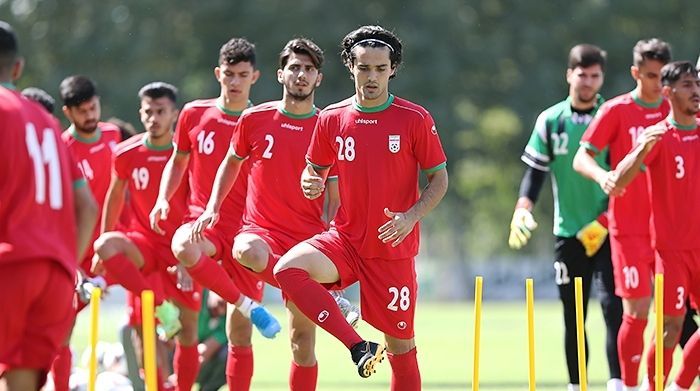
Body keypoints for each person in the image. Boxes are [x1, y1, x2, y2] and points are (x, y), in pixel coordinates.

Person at [272, 25, 448, 391]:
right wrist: (310, 181)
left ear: (393, 69)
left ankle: (376, 349)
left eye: (380, 69)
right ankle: (358, 345)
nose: (371, 77)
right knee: (287, 269)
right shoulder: (332, 118)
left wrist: (410, 217)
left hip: (392, 249)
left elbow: (440, 180)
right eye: (364, 68)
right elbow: (314, 171)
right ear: (350, 67)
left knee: (402, 350)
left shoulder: (414, 118)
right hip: (345, 240)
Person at [192, 37, 341, 390]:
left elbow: (335, 198)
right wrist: (212, 207)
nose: (301, 75)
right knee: (240, 318)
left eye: (308, 69)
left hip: (306, 243)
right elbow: (230, 164)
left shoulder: (330, 126)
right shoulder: (254, 118)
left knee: (301, 343)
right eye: (294, 68)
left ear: (318, 78)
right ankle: (316, 293)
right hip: (257, 232)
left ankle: (308, 287)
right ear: (280, 74)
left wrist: (332, 235)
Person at [150, 37, 279, 390]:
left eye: (242, 75)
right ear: (217, 74)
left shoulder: (266, 121)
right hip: (203, 223)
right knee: (182, 246)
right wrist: (163, 198)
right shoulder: (194, 113)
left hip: (246, 232)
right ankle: (247, 304)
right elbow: (178, 163)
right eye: (229, 75)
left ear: (255, 77)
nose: (234, 82)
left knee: (238, 335)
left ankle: (243, 309)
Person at [573, 39, 698, 390]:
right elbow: (582, 157)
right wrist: (604, 176)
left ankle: (658, 382)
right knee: (638, 311)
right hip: (629, 227)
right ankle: (629, 385)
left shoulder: (684, 109)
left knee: (671, 318)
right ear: (636, 73)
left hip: (673, 232)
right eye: (650, 76)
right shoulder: (616, 110)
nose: (657, 84)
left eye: (662, 76)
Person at [508, 44, 623, 391]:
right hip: (568, 233)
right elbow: (535, 172)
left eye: (594, 75)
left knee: (612, 310)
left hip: (609, 231)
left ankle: (618, 383)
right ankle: (578, 385)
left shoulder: (612, 116)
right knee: (573, 317)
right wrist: (523, 206)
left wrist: (604, 221)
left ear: (601, 77)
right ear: (569, 74)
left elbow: (628, 178)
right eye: (581, 74)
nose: (587, 82)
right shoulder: (551, 119)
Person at [0, 20, 98, 390]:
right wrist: (66, 264)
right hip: (54, 276)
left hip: (8, 267)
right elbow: (86, 206)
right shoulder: (45, 122)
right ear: (18, 67)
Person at [93, 82, 206, 390]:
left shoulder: (188, 154)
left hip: (180, 249)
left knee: (187, 332)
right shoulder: (127, 152)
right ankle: (158, 305)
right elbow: (114, 197)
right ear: (140, 113)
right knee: (105, 245)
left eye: (161, 112)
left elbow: (200, 202)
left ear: (175, 115)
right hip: (143, 245)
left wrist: (191, 253)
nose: (154, 118)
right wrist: (101, 245)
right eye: (148, 112)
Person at [612, 60, 700, 391]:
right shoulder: (660, 136)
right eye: (688, 85)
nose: (696, 92)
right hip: (672, 251)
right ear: (667, 92)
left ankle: (680, 385)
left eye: (697, 84)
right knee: (670, 328)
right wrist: (641, 147)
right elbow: (619, 181)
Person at [51, 74, 123, 391]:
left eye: (93, 107)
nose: (90, 115)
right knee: (61, 330)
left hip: (115, 249)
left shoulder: (114, 135)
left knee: (158, 309)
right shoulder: (61, 148)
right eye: (82, 110)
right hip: (77, 257)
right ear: (68, 112)